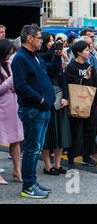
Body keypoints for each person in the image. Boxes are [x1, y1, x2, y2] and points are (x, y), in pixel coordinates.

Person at [11, 24, 59, 198]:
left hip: (42, 109)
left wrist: (57, 55)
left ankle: (33, 182)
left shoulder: (34, 56)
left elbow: (50, 71)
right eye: (39, 38)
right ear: (29, 38)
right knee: (32, 149)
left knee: (35, 148)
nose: (42, 41)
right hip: (33, 110)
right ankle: (28, 186)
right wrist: (41, 99)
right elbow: (21, 86)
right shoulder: (20, 58)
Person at [65, 40, 97, 168]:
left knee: (89, 131)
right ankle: (71, 158)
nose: (89, 52)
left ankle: (87, 156)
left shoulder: (88, 66)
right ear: (78, 52)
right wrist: (83, 79)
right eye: (86, 50)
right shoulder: (71, 67)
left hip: (90, 104)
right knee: (76, 131)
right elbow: (69, 83)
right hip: (77, 103)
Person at [39, 32, 71, 176]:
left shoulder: (57, 56)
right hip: (47, 97)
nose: (53, 43)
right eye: (51, 41)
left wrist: (66, 97)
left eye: (54, 41)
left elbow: (62, 78)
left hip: (59, 96)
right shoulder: (39, 59)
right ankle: (47, 165)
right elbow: (52, 72)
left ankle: (57, 164)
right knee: (48, 133)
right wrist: (56, 53)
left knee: (60, 132)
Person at [0, 39, 24, 185]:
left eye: (11, 53)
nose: (10, 56)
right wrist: (10, 81)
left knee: (16, 139)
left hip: (13, 107)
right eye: (8, 53)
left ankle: (17, 170)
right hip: (2, 108)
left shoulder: (9, 64)